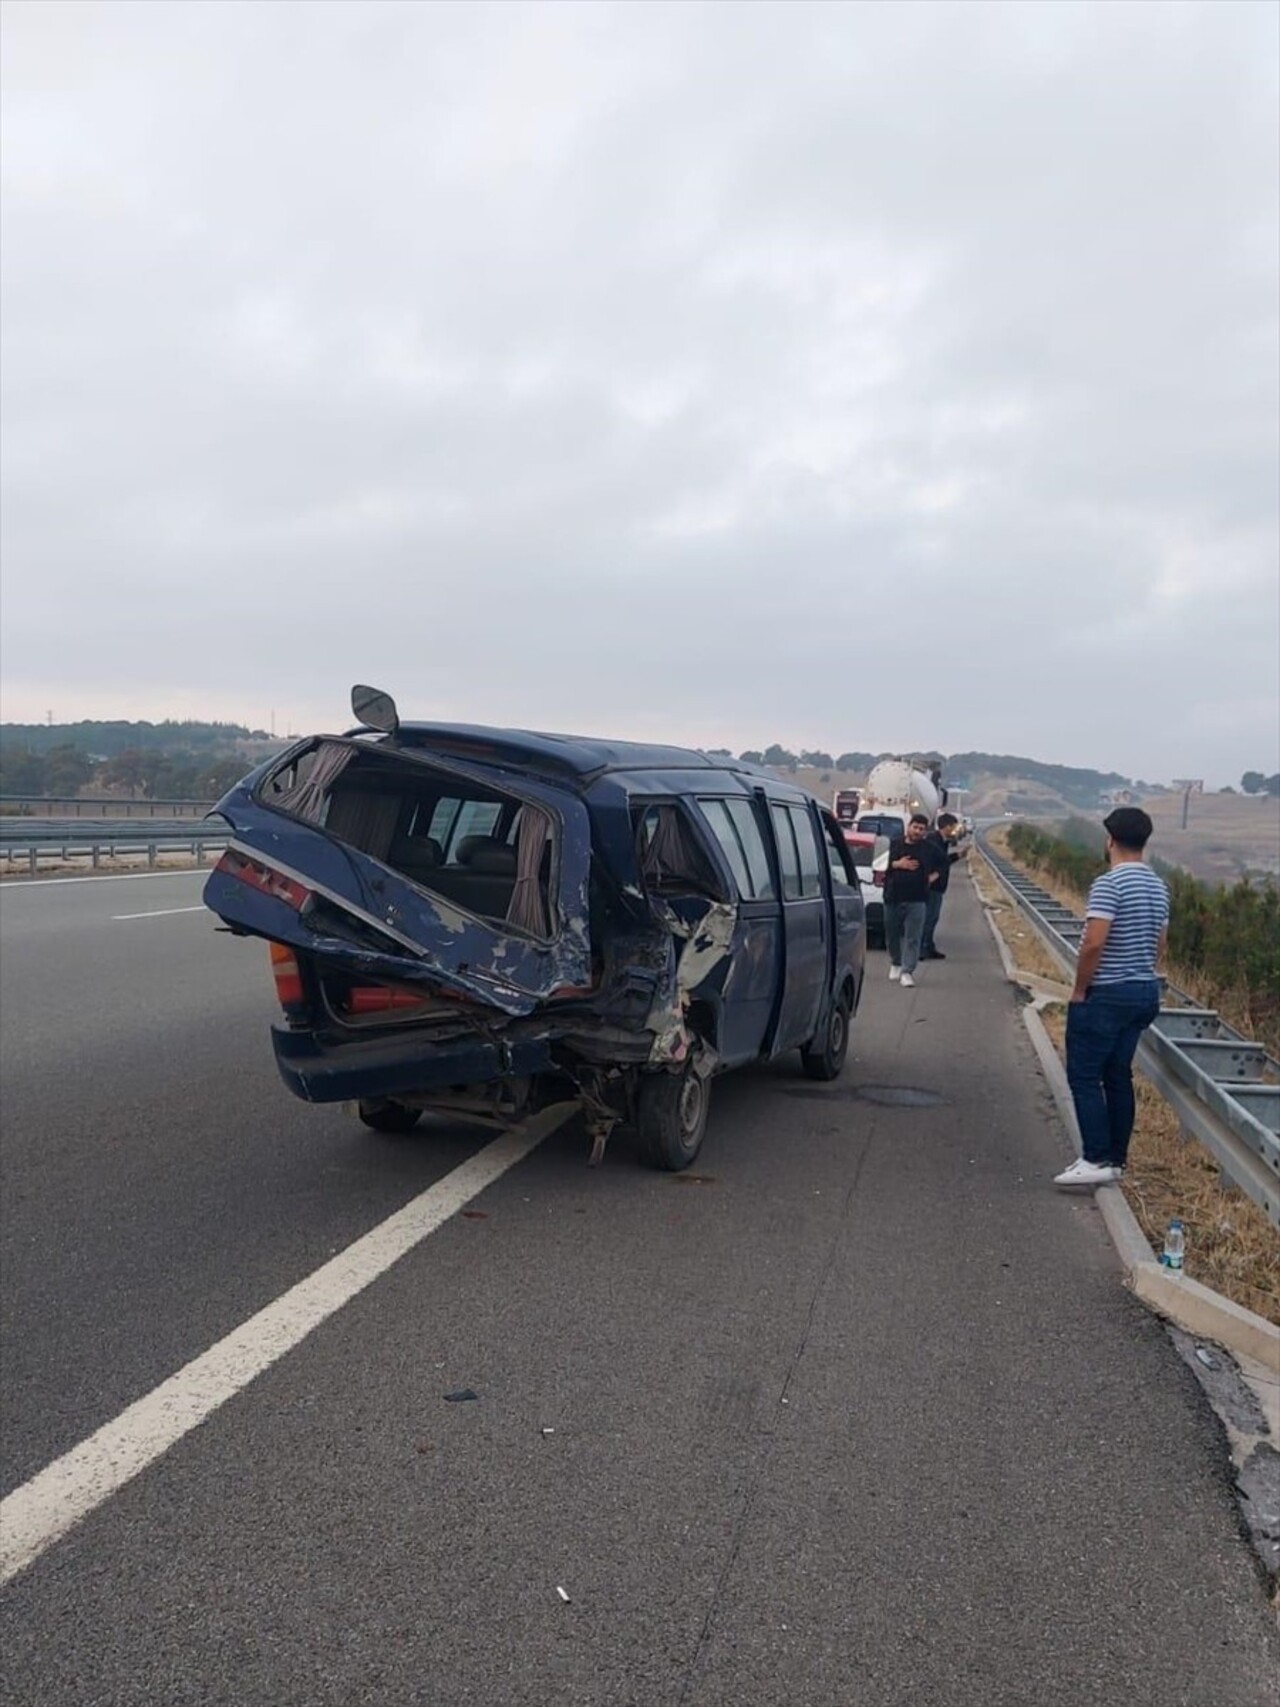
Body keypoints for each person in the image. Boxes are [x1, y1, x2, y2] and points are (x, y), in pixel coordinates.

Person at [1054, 806, 1170, 1190]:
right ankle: (1116, 1159)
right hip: (1144, 992)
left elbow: (1094, 943)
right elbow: (1160, 943)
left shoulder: (1109, 884)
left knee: (1084, 1075)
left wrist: (1080, 988)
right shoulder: (1159, 886)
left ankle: (1095, 1157)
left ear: (1110, 841)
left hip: (1107, 994)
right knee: (1117, 1074)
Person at [883, 813, 943, 988]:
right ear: (909, 826)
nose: (917, 831)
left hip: (917, 899)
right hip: (893, 896)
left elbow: (943, 863)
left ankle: (907, 971)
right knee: (892, 933)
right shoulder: (894, 844)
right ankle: (895, 962)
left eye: (921, 829)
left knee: (913, 936)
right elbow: (879, 863)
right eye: (915, 827)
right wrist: (897, 864)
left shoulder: (929, 848)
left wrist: (934, 876)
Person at [921, 812, 963, 959]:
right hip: (932, 886)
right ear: (946, 826)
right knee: (929, 917)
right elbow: (938, 862)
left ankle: (929, 946)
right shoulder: (934, 841)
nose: (954, 830)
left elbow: (943, 861)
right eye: (953, 827)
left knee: (933, 917)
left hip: (938, 885)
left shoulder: (942, 841)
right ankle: (922, 948)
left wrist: (958, 856)